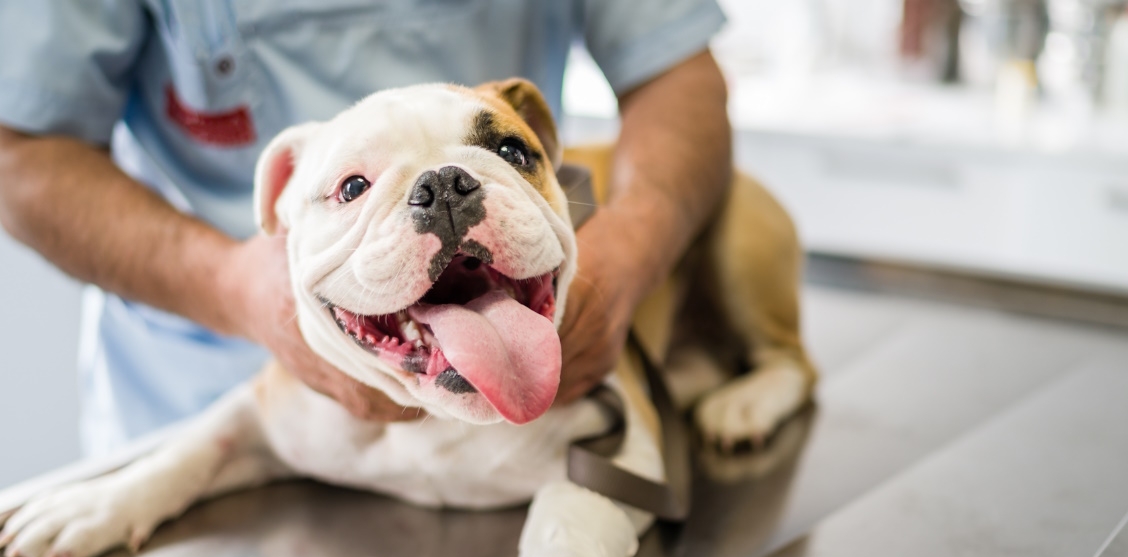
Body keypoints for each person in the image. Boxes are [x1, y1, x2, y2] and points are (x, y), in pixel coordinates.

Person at [0, 1, 733, 457]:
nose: (441, 192)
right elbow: (19, 150)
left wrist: (627, 251)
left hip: (533, 380)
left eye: (503, 146)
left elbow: (673, 65)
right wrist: (236, 287)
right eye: (354, 185)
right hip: (200, 395)